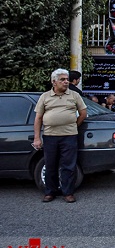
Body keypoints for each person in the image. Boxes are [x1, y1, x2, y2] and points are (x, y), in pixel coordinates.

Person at [33, 68, 87, 203]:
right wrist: (37, 138)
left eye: (67, 79)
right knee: (51, 164)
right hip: (50, 136)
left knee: (68, 165)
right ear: (54, 82)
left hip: (69, 136)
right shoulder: (45, 97)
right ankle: (50, 192)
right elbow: (38, 118)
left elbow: (83, 113)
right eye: (62, 80)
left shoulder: (74, 95)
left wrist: (74, 125)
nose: (66, 82)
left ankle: (68, 192)